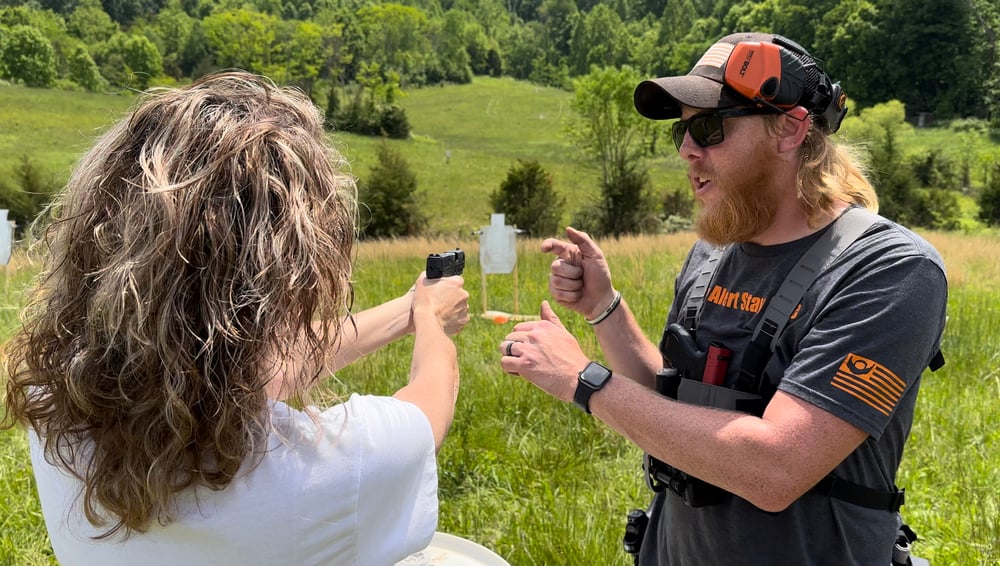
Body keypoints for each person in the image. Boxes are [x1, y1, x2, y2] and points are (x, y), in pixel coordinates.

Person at [498, 32, 947, 564]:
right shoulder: (711, 257)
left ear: (790, 128)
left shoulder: (889, 270)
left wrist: (583, 381)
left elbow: (778, 468)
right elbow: (675, 405)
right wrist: (604, 309)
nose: (688, 149)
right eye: (682, 131)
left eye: (709, 128)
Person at [2, 71, 470, 565]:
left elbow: (265, 368)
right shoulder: (327, 472)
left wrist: (410, 309)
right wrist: (432, 321)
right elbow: (428, 409)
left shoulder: (51, 406)